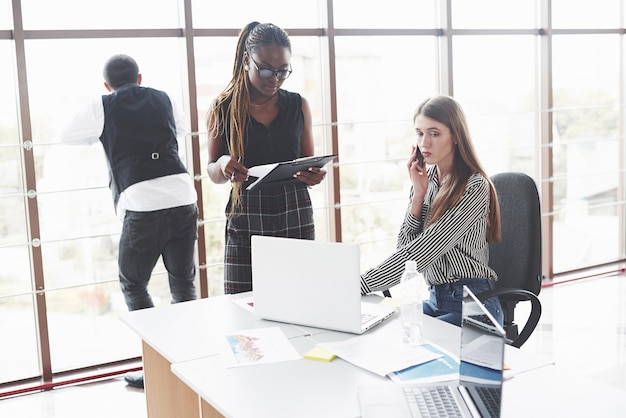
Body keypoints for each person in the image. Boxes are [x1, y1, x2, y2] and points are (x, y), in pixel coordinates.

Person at [59, 54, 198, 388]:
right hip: (183, 195)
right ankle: (191, 361)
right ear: (139, 78)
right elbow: (181, 128)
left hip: (142, 203)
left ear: (107, 85)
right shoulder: (162, 96)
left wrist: (105, 126)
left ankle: (157, 365)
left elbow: (67, 135)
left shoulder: (103, 104)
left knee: (133, 284)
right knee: (182, 281)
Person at [360, 95, 504, 327]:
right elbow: (404, 249)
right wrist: (418, 196)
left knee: (418, 343)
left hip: (473, 302)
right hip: (434, 299)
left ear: (456, 136)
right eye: (419, 133)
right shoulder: (425, 181)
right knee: (390, 332)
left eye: (434, 134)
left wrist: (361, 284)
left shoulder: (474, 186)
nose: (424, 143)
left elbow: (421, 252)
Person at [206, 22, 327, 294]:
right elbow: (211, 170)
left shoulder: (298, 104)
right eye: (266, 70)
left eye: (283, 71)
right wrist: (223, 164)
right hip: (247, 213)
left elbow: (308, 162)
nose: (275, 78)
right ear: (247, 60)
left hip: (295, 210)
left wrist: (314, 175)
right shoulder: (223, 108)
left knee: (301, 297)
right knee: (242, 304)